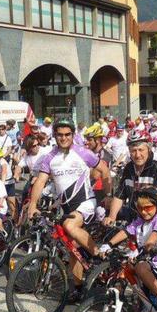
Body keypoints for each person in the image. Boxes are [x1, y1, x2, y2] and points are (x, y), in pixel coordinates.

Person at [27, 121, 102, 299]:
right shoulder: (49, 157)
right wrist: (32, 205)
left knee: (69, 226)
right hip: (66, 207)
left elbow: (103, 170)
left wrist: (105, 195)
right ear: (54, 135)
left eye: (67, 134)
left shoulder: (83, 152)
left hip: (86, 203)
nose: (64, 138)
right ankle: (77, 288)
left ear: (73, 134)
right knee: (72, 248)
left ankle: (99, 256)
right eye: (60, 134)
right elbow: (40, 181)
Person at [99, 188, 157, 312]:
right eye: (140, 208)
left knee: (139, 267)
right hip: (145, 263)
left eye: (148, 207)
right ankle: (144, 307)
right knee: (126, 268)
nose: (143, 211)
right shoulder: (140, 220)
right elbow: (126, 231)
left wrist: (141, 252)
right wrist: (108, 244)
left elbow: (152, 240)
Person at [103, 130, 157, 225]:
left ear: (149, 149)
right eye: (133, 151)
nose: (137, 155)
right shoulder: (129, 167)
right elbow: (120, 196)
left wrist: (147, 224)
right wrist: (111, 217)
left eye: (141, 150)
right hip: (135, 217)